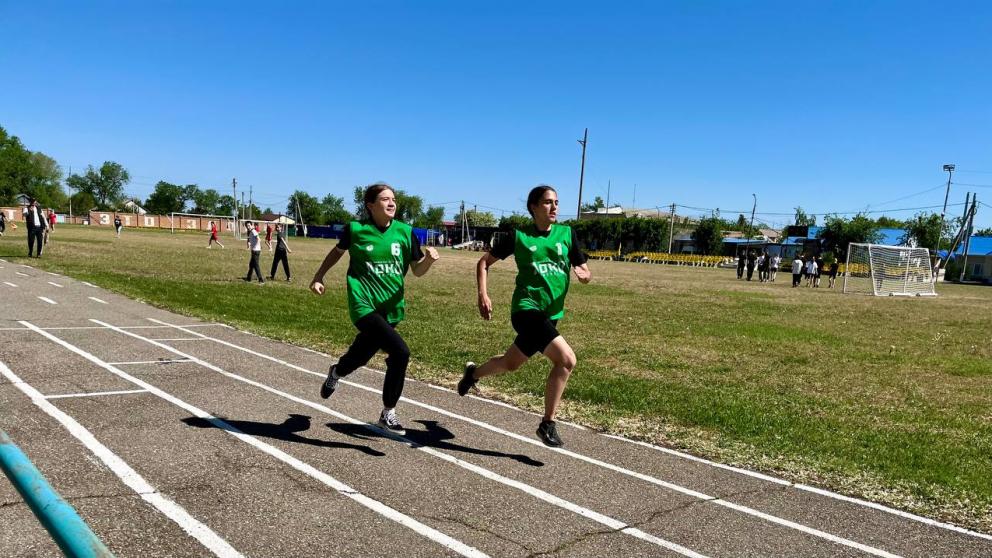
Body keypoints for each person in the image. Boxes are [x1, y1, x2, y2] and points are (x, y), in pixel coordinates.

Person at [457, 185, 591, 448]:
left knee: (510, 363)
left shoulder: (566, 234)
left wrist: (585, 275)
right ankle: (548, 423)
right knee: (566, 360)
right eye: (547, 203)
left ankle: (472, 374)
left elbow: (583, 267)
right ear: (533, 207)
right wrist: (483, 294)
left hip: (551, 314)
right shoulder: (518, 236)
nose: (554, 208)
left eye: (556, 203)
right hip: (526, 311)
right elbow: (483, 262)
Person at [312, 183, 439, 434]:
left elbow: (417, 270)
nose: (391, 203)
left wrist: (429, 261)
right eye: (384, 199)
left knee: (361, 355)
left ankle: (336, 371)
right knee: (400, 352)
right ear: (370, 205)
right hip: (363, 304)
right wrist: (319, 276)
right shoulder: (356, 230)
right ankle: (388, 413)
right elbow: (336, 253)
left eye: (393, 199)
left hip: (390, 309)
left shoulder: (405, 232)